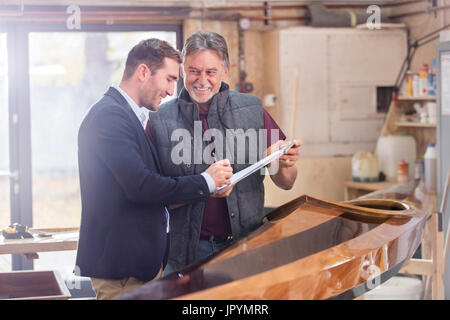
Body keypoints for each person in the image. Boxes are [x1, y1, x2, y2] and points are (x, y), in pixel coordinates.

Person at [75, 38, 233, 300]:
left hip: (136, 268)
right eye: (169, 79)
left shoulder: (129, 116)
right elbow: (142, 186)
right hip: (123, 271)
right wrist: (206, 181)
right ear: (144, 72)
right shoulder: (110, 117)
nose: (172, 90)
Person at [147, 31, 302, 275]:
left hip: (246, 246)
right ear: (183, 70)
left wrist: (284, 163)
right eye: (194, 71)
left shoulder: (252, 110)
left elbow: (287, 182)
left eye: (211, 72)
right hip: (186, 253)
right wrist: (204, 186)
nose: (202, 80)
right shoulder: (159, 120)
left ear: (225, 71)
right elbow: (151, 195)